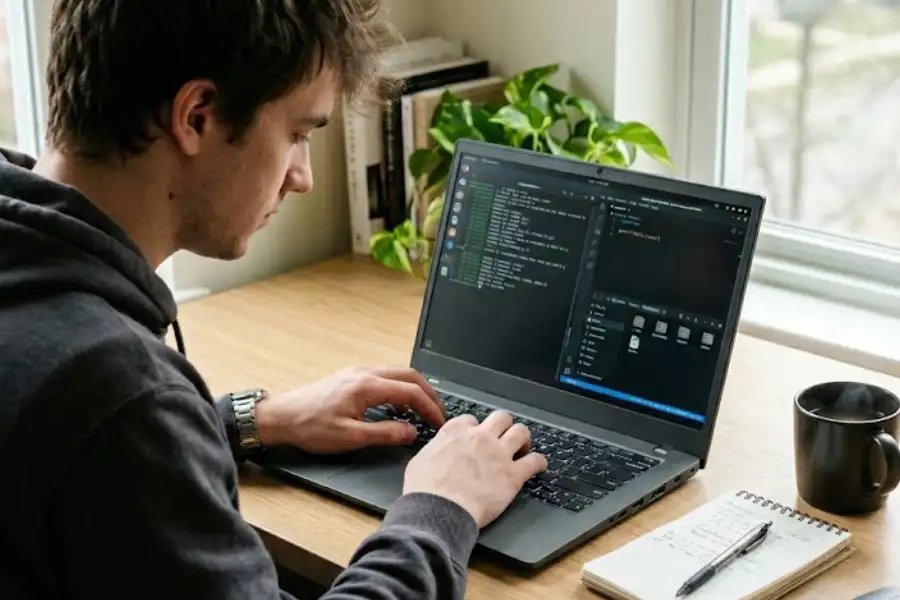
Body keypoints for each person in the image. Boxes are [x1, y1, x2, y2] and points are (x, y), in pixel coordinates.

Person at [0, 1, 547, 599]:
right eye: (297, 133)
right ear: (198, 116)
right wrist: (441, 507)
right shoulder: (118, 396)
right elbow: (106, 422)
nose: (302, 176)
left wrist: (246, 422)